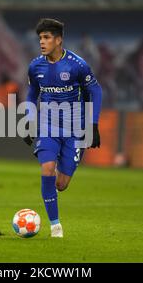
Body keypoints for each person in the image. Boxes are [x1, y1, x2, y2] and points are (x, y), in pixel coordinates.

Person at [23, 18, 102, 237]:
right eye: (40, 38)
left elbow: (96, 91)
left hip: (75, 129)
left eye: (46, 37)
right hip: (48, 127)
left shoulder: (77, 65)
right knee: (47, 168)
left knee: (61, 184)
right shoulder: (35, 66)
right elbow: (31, 94)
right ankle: (55, 226)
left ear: (59, 40)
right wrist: (29, 120)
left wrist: (93, 125)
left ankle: (60, 176)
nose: (42, 42)